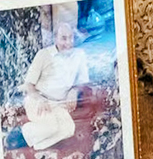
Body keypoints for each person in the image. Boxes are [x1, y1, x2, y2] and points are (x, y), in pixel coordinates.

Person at [6, 23, 91, 151]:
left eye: (71, 37)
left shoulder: (79, 55)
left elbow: (83, 81)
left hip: (59, 104)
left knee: (69, 129)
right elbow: (29, 85)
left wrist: (74, 91)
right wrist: (40, 99)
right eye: (63, 38)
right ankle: (20, 133)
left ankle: (36, 143)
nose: (68, 43)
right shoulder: (43, 55)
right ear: (55, 38)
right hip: (38, 101)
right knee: (52, 127)